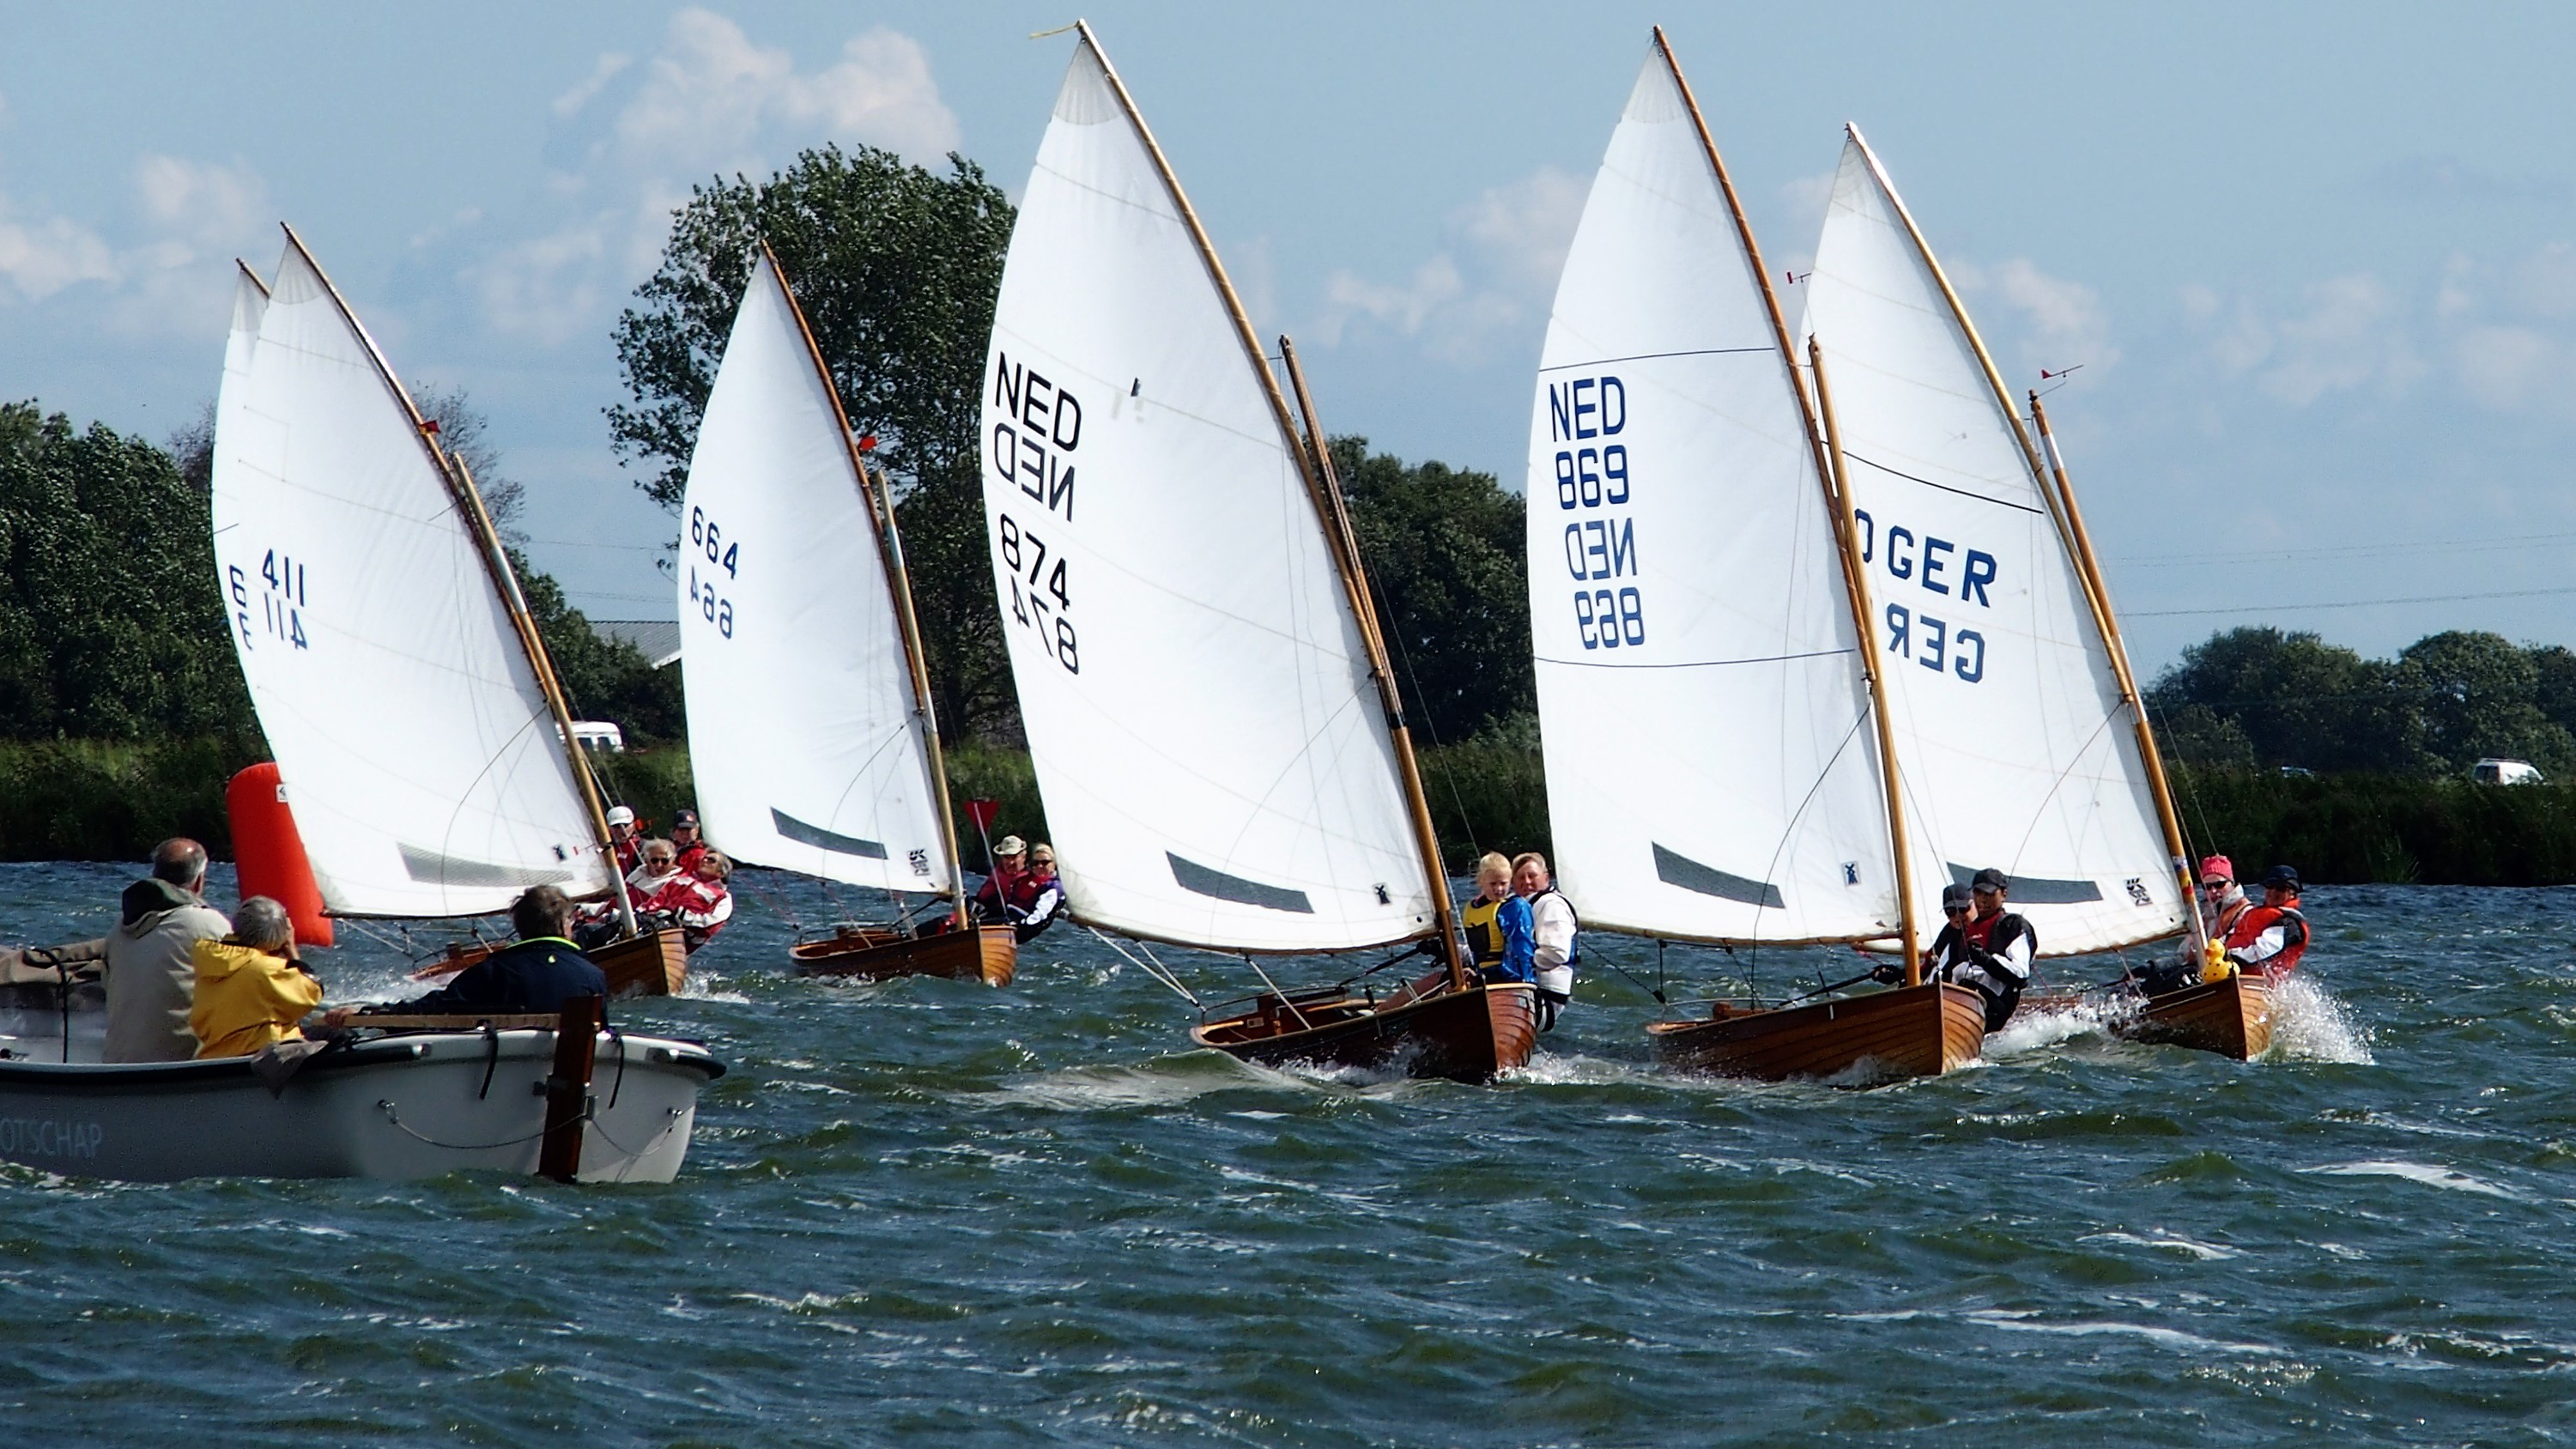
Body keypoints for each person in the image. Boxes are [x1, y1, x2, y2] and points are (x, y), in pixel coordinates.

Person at [330, 885, 606, 1022]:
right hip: (571, 1088)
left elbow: (435, 1009)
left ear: (519, 926)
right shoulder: (594, 978)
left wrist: (367, 1013)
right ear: (563, 925)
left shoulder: (495, 971)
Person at [104, 837, 233, 1063]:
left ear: (155, 875)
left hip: (117, 1064)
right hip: (177, 1068)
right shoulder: (207, 925)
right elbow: (247, 984)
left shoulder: (118, 928)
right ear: (199, 880)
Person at [188, 896, 324, 1058]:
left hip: (215, 1053)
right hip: (261, 1054)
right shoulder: (266, 969)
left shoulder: (211, 959)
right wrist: (291, 949)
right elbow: (312, 992)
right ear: (276, 937)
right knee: (336, 1035)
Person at [1927, 869, 2034, 1032]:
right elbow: (1938, 968)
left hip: (1995, 1007)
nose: (1983, 900)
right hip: (1959, 1007)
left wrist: (1985, 960)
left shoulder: (2012, 925)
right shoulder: (1959, 930)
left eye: (1989, 894)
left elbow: (2020, 975)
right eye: (1978, 893)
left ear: (2004, 894)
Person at [1512, 852, 1577, 1031]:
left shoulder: (1551, 905)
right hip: (1521, 992)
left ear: (1546, 878)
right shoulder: (1518, 906)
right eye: (1520, 877)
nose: (1527, 882)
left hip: (1543, 1000)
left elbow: (1556, 953)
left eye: (1532, 876)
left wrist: (1513, 962)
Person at [1457, 852, 1535, 985]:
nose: (1499, 889)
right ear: (1480, 881)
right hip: (1481, 974)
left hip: (1508, 976)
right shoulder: (1470, 909)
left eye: (1503, 883)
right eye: (1493, 884)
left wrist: (1528, 981)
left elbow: (1524, 948)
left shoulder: (1515, 907)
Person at [2224, 864, 2310, 979]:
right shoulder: (2252, 914)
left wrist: (2230, 959)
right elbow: (2229, 937)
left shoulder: (2290, 923)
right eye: (2270, 886)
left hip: (2258, 984)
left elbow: (2265, 950)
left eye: (2281, 888)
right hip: (2228, 974)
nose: (2273, 892)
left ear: (2292, 893)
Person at [1012, 843, 1066, 943]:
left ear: (1054, 864)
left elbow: (1039, 915)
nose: (1039, 866)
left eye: (1045, 862)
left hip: (1022, 927)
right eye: (1035, 863)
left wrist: (1021, 926)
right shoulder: (1023, 878)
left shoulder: (1053, 888)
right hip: (1007, 918)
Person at [972, 835, 1031, 926]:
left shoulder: (1032, 877)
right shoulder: (996, 875)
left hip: (1021, 921)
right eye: (1007, 857)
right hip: (996, 919)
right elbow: (981, 899)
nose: (1011, 863)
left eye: (1014, 857)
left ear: (1024, 857)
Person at [669, 809, 709, 874]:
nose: (685, 833)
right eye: (681, 829)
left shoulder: (700, 853)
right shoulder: (667, 849)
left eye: (688, 829)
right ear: (674, 831)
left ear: (697, 830)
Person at [605, 805, 642, 874]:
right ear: (609, 828)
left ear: (633, 824)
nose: (623, 830)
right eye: (617, 826)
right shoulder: (602, 846)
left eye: (626, 825)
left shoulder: (641, 847)